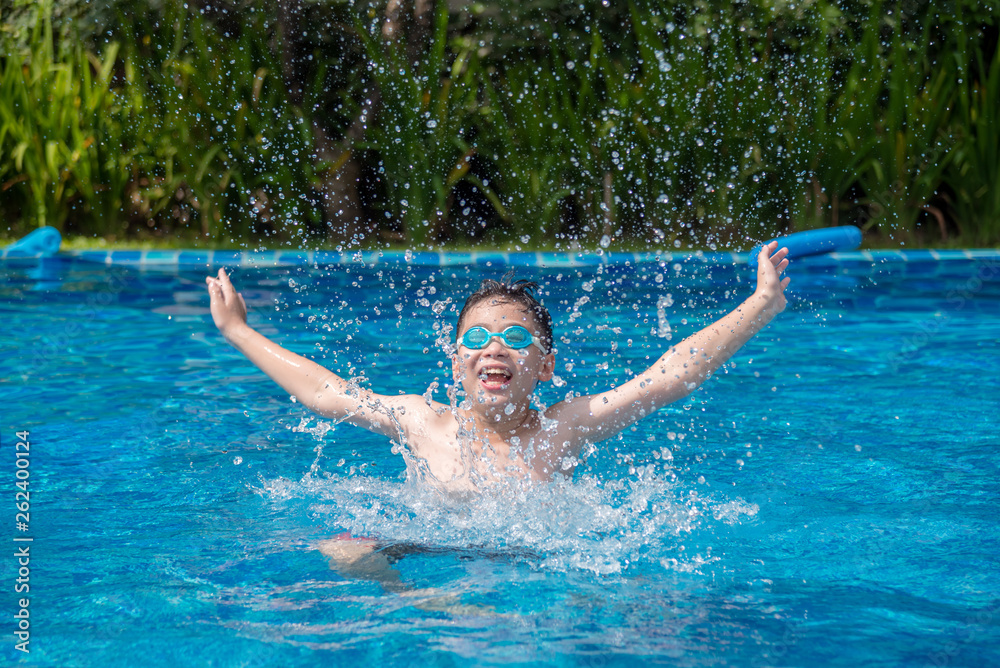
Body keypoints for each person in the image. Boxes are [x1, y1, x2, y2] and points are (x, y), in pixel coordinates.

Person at [206, 241, 789, 585]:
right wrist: (237, 332)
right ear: (456, 358)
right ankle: (421, 602)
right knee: (342, 550)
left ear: (546, 366)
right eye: (478, 336)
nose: (495, 346)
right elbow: (324, 394)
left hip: (540, 555)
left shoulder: (565, 426)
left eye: (515, 335)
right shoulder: (423, 422)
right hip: (424, 547)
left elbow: (670, 376)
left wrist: (760, 304)